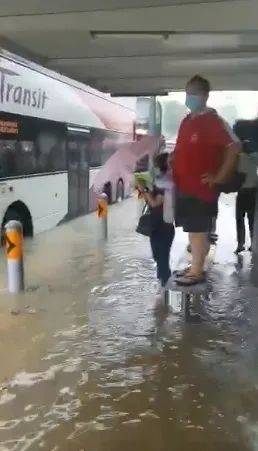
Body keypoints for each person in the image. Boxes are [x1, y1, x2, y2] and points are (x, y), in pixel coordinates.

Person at [173, 75, 240, 286]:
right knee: (192, 231)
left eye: (194, 92)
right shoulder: (187, 120)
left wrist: (219, 177)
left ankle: (197, 271)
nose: (189, 97)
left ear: (204, 95)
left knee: (199, 231)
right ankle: (195, 266)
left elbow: (235, 147)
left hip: (201, 188)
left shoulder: (213, 121)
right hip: (184, 186)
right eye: (187, 92)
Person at [137, 153, 175, 295]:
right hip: (156, 226)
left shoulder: (166, 182)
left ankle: (165, 294)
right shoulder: (159, 181)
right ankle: (163, 292)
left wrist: (144, 190)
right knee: (158, 258)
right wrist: (144, 188)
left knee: (162, 260)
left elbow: (154, 203)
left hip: (164, 226)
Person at [234, 149, 258, 253]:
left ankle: (241, 244)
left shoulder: (237, 157)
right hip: (252, 191)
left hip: (243, 191)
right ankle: (252, 244)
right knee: (251, 219)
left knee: (240, 219)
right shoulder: (254, 156)